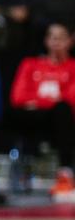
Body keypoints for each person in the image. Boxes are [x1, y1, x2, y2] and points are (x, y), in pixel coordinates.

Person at [8, 23, 75, 201]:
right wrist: (52, 100)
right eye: (53, 37)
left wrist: (37, 101)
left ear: (70, 41)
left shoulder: (73, 67)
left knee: (62, 111)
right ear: (46, 41)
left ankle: (65, 175)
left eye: (61, 38)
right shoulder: (30, 65)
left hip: (64, 123)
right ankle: (24, 169)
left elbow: (71, 99)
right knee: (19, 113)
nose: (56, 42)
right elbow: (17, 97)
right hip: (34, 120)